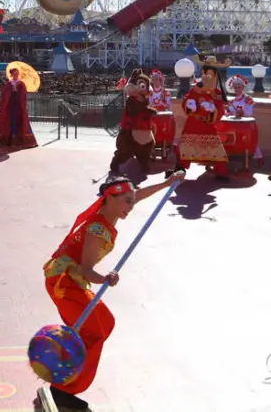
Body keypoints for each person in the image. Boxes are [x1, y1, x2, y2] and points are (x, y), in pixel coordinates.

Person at [42, 171, 183, 410]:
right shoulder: (98, 228)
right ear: (110, 198)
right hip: (63, 283)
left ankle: (64, 372)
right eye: (127, 201)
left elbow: (138, 195)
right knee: (93, 333)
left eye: (132, 201)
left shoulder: (108, 212)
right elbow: (86, 270)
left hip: (71, 280)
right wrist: (105, 278)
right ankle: (64, 390)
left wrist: (168, 183)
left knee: (105, 322)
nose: (131, 206)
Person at [176, 58, 229, 181]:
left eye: (209, 75)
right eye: (204, 74)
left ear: (214, 76)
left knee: (217, 149)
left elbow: (220, 109)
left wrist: (213, 110)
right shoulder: (195, 89)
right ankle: (179, 169)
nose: (206, 77)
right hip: (193, 124)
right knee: (185, 148)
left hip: (207, 125)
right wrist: (189, 104)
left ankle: (220, 172)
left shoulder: (217, 93)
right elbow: (186, 99)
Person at [109, 69, 156, 181]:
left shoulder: (144, 101)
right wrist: (147, 110)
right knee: (126, 151)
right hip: (130, 131)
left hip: (144, 130)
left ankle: (145, 165)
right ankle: (115, 164)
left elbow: (144, 111)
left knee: (145, 150)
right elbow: (134, 111)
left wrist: (149, 111)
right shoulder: (131, 101)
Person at [225, 75, 264, 172]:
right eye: (235, 87)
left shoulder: (248, 99)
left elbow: (249, 113)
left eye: (239, 87)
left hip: (246, 125)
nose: (237, 89)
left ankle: (260, 159)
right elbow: (228, 112)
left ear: (243, 88)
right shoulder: (232, 101)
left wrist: (241, 113)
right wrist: (228, 112)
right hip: (235, 125)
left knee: (251, 143)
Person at [0, 67, 38, 148]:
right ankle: (9, 141)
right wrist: (11, 91)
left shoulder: (21, 84)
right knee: (9, 122)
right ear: (11, 74)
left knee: (21, 122)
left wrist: (16, 91)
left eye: (17, 74)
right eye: (14, 74)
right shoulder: (8, 84)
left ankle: (24, 141)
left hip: (19, 107)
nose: (16, 75)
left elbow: (23, 96)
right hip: (10, 107)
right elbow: (4, 95)